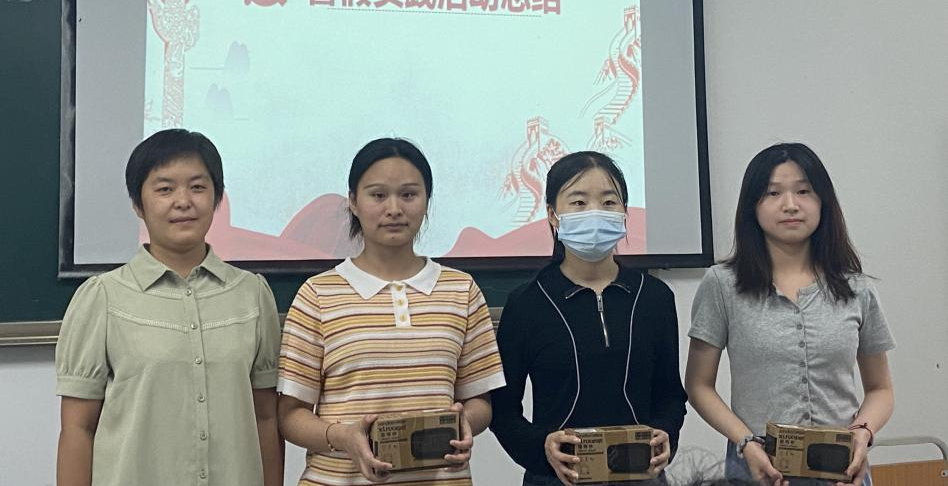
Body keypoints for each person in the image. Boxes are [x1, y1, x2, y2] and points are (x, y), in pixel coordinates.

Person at [55, 129, 283, 486]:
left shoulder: (252, 294)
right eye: (164, 189)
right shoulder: (103, 297)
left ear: (217, 197)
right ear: (138, 204)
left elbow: (265, 418)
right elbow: (77, 429)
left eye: (198, 187)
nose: (183, 201)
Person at [277, 137, 506, 485]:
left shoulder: (461, 290)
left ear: (427, 201)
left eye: (409, 194)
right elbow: (290, 415)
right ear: (353, 202)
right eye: (378, 195)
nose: (394, 209)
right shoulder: (317, 295)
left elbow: (479, 402)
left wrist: (465, 423)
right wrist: (342, 436)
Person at [685, 143, 895, 486]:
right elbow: (698, 385)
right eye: (773, 193)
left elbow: (880, 389)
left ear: (823, 201)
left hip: (842, 467)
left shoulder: (857, 288)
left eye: (803, 191)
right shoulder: (722, 284)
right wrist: (745, 442)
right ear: (752, 205)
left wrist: (863, 432)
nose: (790, 204)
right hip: (758, 465)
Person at [490, 151, 687, 486]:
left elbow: (670, 394)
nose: (595, 212)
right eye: (579, 202)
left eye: (608, 202)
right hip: (557, 477)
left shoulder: (654, 297)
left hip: (640, 474)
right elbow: (502, 409)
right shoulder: (527, 303)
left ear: (624, 212)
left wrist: (666, 433)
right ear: (552, 215)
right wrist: (541, 448)